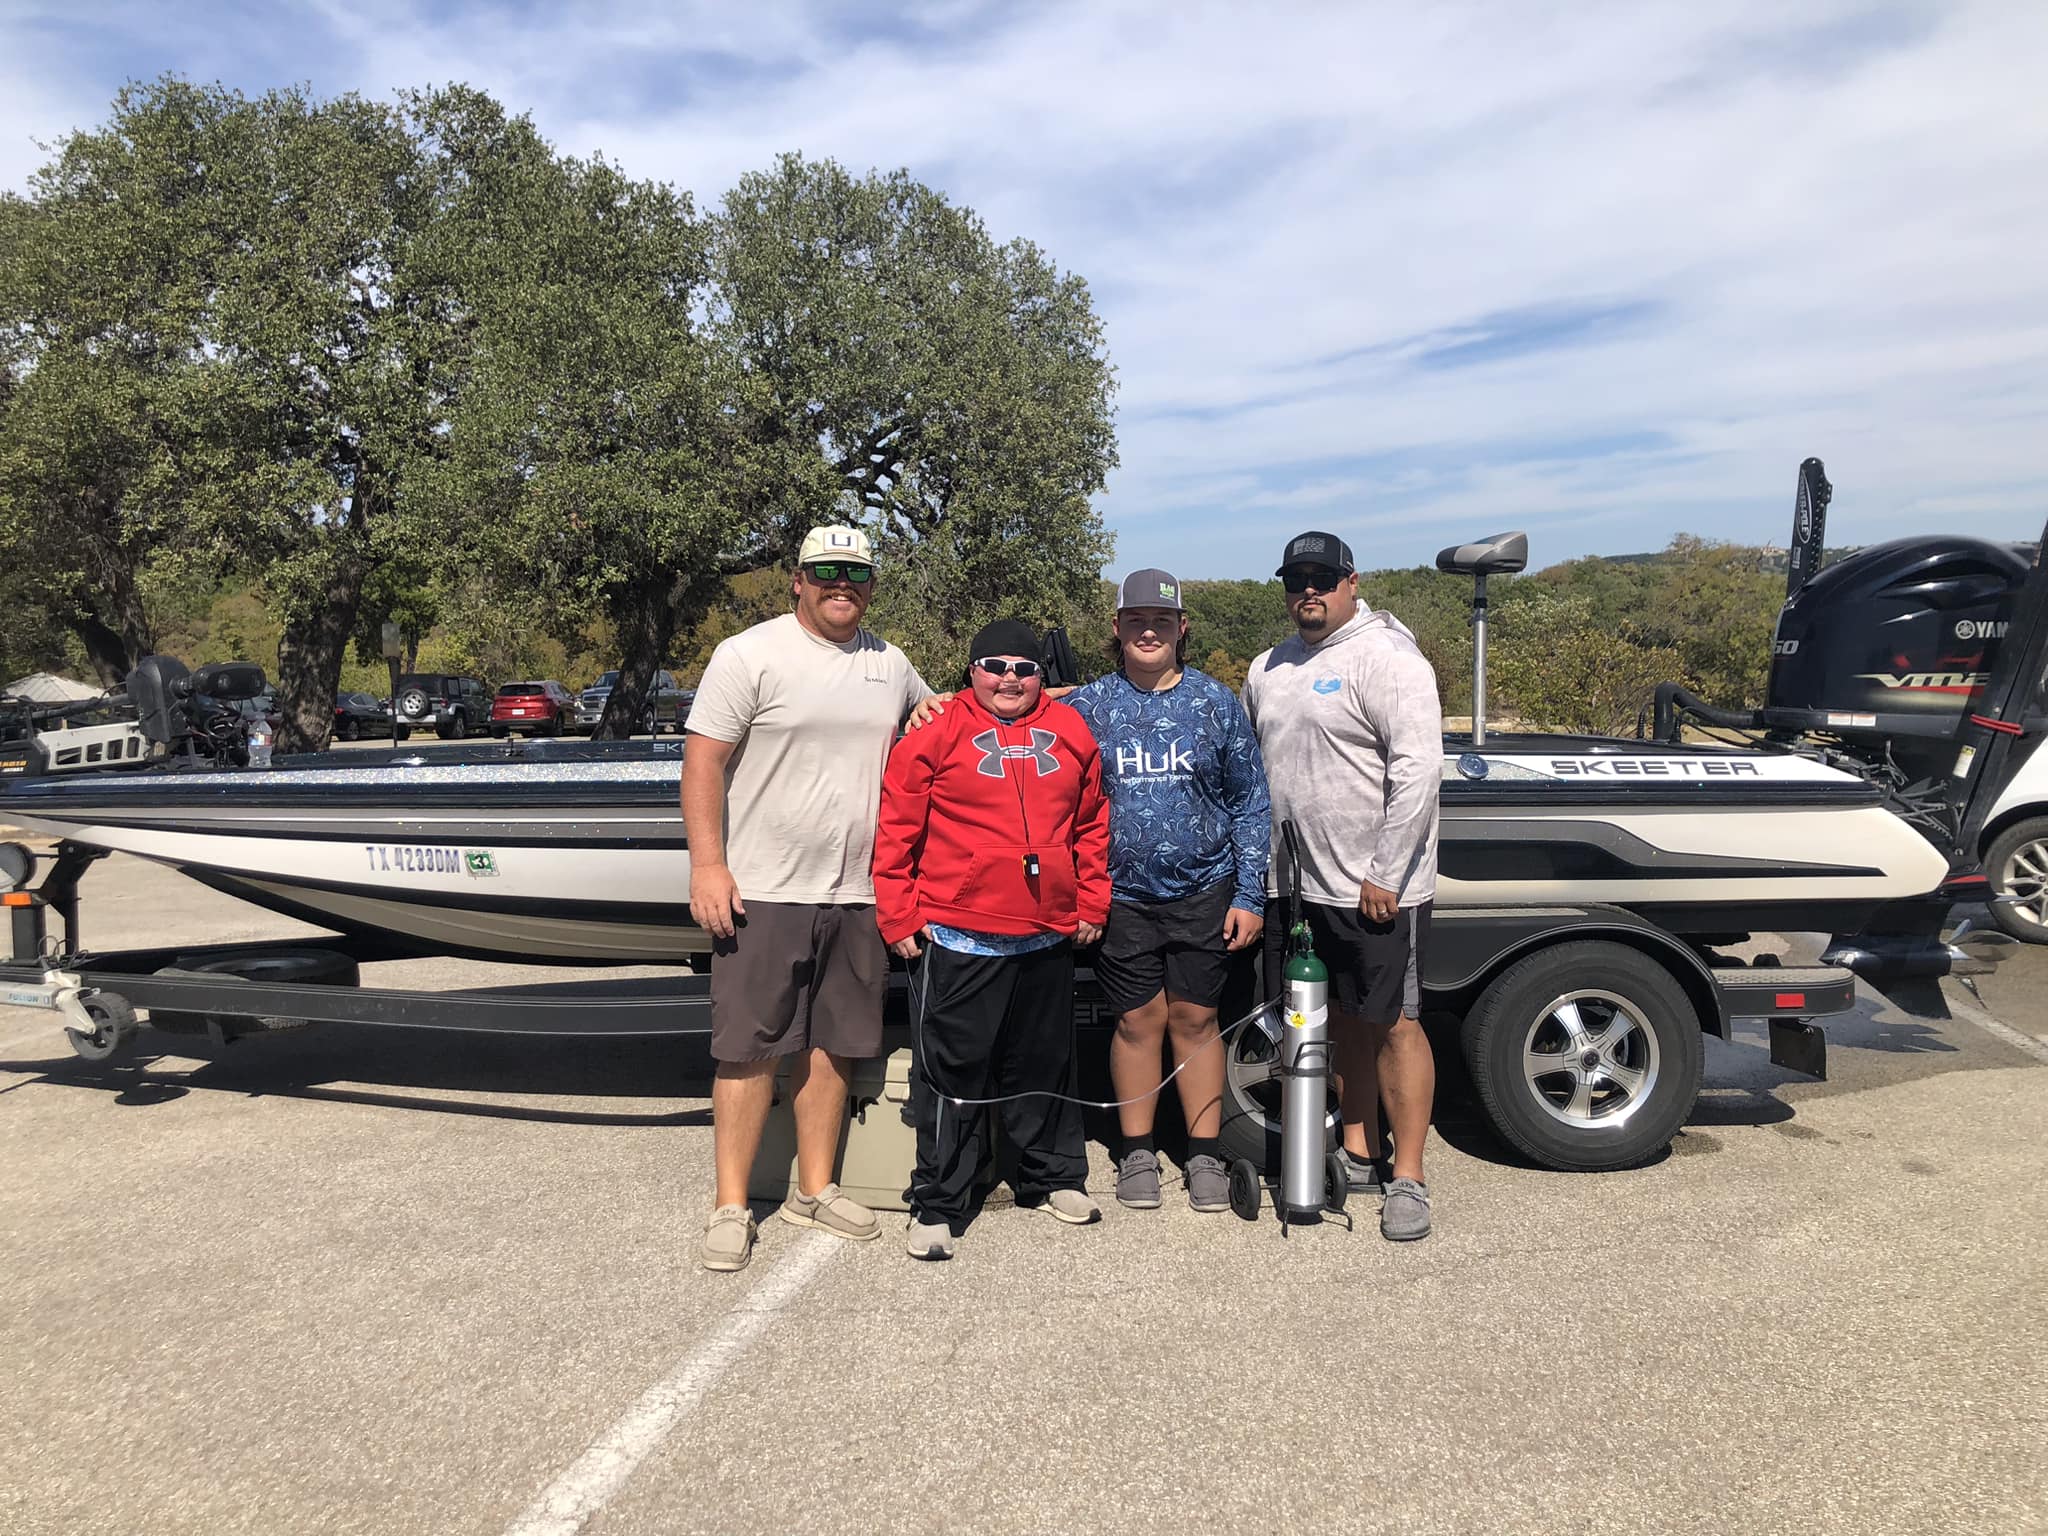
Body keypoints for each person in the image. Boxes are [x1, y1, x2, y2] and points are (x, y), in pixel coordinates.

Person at [683, 524, 933, 1272]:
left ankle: (814, 1188)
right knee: (749, 1050)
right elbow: (702, 764)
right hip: (764, 889)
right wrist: (707, 866)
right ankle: (731, 1204)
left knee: (833, 1049)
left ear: (871, 585)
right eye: (825, 571)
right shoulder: (748, 654)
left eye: (855, 573)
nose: (840, 584)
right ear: (797, 579)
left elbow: (940, 712)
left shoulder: (889, 664)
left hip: (859, 893)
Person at [872, 619, 1111, 1261]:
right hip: (958, 935)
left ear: (1042, 676)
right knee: (951, 1074)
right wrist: (897, 914)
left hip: (1045, 934)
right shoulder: (937, 728)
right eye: (995, 665)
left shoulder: (1070, 731)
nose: (1010, 678)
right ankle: (938, 1202)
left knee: (1045, 1065)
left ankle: (1054, 1176)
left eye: (1025, 668)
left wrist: (1091, 898)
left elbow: (1091, 823)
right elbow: (896, 828)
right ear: (972, 670)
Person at [1242, 531, 1442, 1242]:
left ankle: (1409, 1177)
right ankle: (1360, 1151)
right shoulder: (1270, 667)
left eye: (1322, 578)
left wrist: (1386, 871)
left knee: (1395, 1024)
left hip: (1375, 889)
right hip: (1296, 886)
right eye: (1296, 580)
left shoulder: (1387, 657)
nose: (1308, 592)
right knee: (1338, 1024)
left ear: (1352, 582)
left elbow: (1418, 769)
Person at [1063, 569, 1270, 1213]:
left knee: (1196, 1019)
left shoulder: (1216, 703)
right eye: (1134, 621)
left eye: (1160, 621)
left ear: (1182, 630)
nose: (1147, 630)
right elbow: (1013, 721)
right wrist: (932, 703)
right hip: (1119, 897)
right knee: (1135, 1021)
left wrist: (1250, 895)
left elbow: (1251, 803)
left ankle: (1203, 1153)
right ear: (1117, 631)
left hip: (1206, 891)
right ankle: (1137, 1152)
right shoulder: (1086, 707)